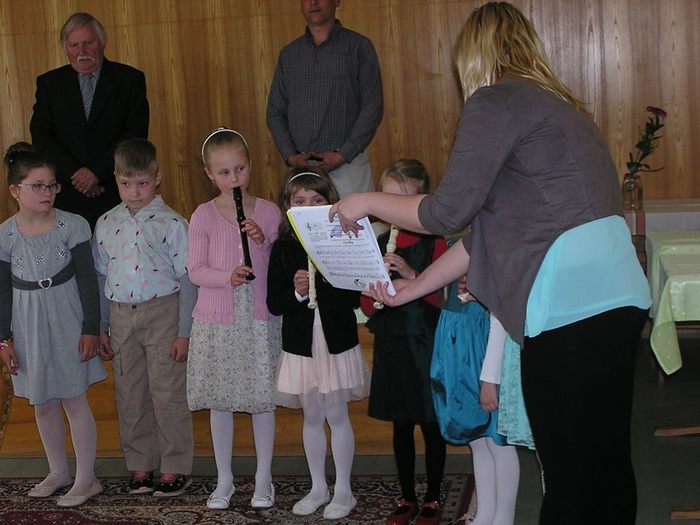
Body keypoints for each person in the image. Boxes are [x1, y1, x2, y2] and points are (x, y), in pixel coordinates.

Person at [330, 3, 652, 523]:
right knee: (607, 461)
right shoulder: (561, 107)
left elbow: (445, 212)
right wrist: (414, 288)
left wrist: (364, 201)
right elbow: (484, 235)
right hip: (620, 295)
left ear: (474, 56)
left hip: (567, 304)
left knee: (568, 476)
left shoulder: (494, 100)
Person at [0, 142, 106, 507]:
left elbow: (89, 280)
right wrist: (4, 340)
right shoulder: (5, 235)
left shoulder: (72, 225)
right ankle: (58, 471)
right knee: (42, 401)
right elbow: (2, 291)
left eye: (51, 185)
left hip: (67, 317)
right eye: (37, 185)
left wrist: (91, 327)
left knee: (74, 399)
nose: (47, 192)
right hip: (26, 323)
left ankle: (87, 478)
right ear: (15, 190)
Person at [267, 168, 370, 520]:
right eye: (300, 201)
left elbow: (355, 297)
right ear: (288, 206)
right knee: (311, 415)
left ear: (331, 204)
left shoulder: (343, 239)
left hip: (335, 341)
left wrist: (330, 276)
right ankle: (318, 487)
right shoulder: (283, 248)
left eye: (317, 200)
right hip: (301, 345)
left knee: (337, 414)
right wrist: (297, 292)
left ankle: (344, 490)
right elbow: (274, 303)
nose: (308, 207)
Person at [94, 138, 195, 497]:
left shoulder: (173, 223)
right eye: (126, 183)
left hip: (163, 312)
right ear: (116, 179)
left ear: (158, 178)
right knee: (130, 393)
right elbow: (102, 276)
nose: (134, 192)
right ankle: (140, 464)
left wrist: (184, 332)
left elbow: (188, 279)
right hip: (121, 316)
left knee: (167, 392)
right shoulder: (106, 223)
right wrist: (102, 326)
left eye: (142, 183)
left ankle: (175, 466)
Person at [187, 128, 282, 511]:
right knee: (220, 400)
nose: (233, 179)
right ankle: (224, 478)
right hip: (218, 320)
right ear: (210, 175)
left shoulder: (270, 212)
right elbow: (195, 270)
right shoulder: (203, 216)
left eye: (239, 169)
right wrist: (227, 276)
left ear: (250, 166)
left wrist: (263, 241)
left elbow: (279, 265)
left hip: (258, 319)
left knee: (263, 400)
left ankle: (264, 477)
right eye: (224, 173)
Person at [359, 160, 447, 525]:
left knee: (430, 422)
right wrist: (374, 289)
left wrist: (412, 275)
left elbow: (442, 299)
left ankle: (433, 497)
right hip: (392, 343)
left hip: (424, 344)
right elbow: (368, 307)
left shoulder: (434, 241)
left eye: (401, 200)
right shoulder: (379, 243)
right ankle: (407, 496)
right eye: (387, 200)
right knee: (400, 423)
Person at [30, 12, 149, 230]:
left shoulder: (129, 80)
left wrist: (96, 172)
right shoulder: (49, 84)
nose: (81, 51)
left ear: (102, 42)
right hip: (66, 196)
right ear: (65, 48)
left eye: (88, 43)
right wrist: (76, 176)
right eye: (74, 45)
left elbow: (135, 134)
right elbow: (41, 137)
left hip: (116, 193)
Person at [432, 274, 525, 525]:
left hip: (483, 341)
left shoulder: (491, 250)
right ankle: (485, 513)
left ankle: (503, 519)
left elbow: (505, 304)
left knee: (498, 439)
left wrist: (490, 379)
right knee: (477, 439)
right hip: (458, 339)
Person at [266, 0, 383, 198]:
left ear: (337, 1)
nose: (313, 2)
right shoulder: (289, 55)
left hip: (348, 167)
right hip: (301, 173)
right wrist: (291, 157)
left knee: (355, 220)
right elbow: (275, 112)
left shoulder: (359, 47)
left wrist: (343, 154)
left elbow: (372, 106)